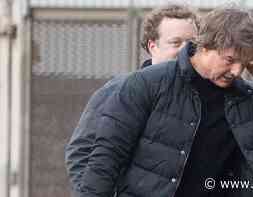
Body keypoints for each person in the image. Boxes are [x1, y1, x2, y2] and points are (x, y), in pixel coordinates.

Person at [78, 5, 253, 197]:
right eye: (230, 60)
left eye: (245, 63)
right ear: (205, 45)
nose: (237, 71)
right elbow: (106, 158)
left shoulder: (246, 97)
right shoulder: (148, 83)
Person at [64, 4, 198, 196]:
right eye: (175, 43)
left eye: (191, 44)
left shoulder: (200, 96)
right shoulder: (122, 88)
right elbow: (80, 151)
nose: (185, 52)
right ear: (153, 46)